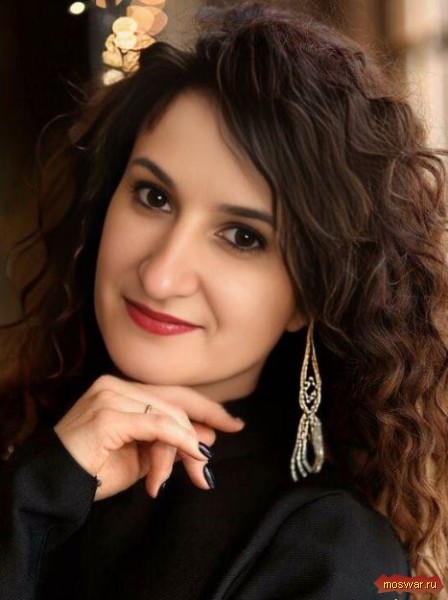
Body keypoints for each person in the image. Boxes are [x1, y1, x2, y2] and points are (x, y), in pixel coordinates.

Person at [1, 1, 447, 598]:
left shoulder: (331, 552)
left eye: (242, 236)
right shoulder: (26, 446)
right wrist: (38, 489)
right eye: (154, 196)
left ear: (310, 295)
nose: (161, 275)